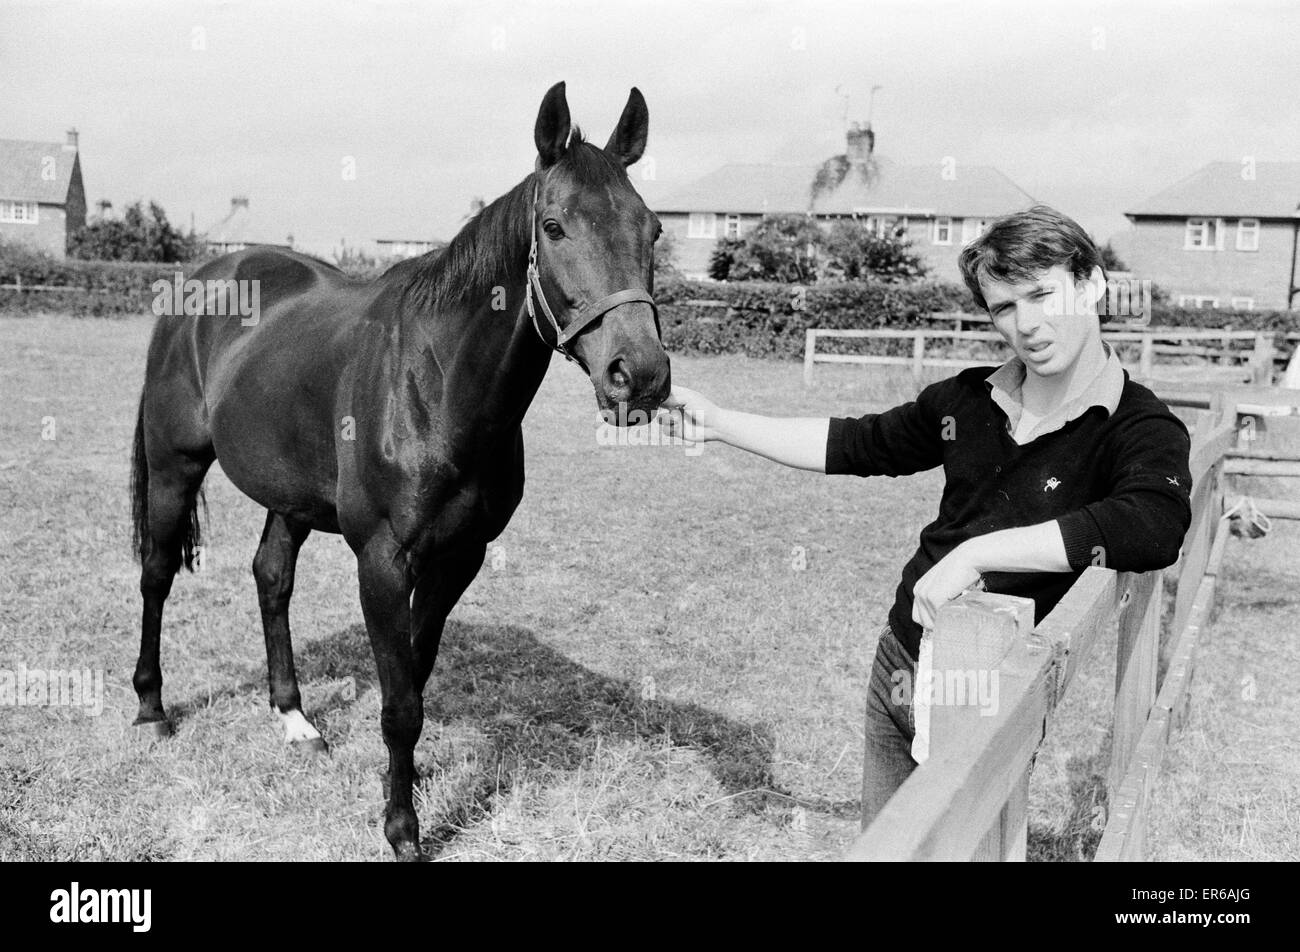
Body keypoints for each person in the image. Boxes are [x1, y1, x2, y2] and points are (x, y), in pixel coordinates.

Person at [658, 205, 1193, 827]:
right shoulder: (965, 399)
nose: (1028, 325)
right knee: (887, 843)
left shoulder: (1138, 426)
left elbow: (1152, 524)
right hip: (899, 661)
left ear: (1093, 284)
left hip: (988, 687)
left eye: (1043, 295)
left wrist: (976, 554)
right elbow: (856, 444)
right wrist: (721, 424)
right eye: (1004, 308)